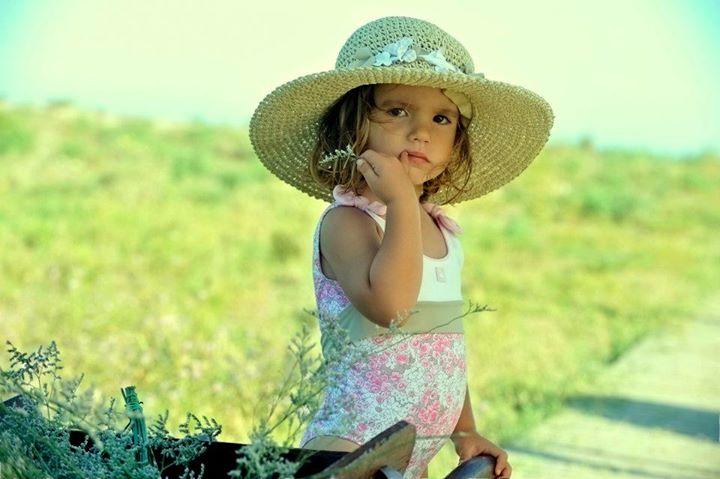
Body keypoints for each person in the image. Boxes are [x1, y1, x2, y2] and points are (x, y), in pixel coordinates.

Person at [249, 16, 554, 479]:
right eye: (396, 111)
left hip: (417, 455)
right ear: (352, 127)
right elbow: (392, 307)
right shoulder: (348, 223)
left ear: (455, 143)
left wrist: (464, 430)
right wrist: (400, 202)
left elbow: (443, 344)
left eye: (441, 118)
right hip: (353, 450)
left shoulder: (440, 232)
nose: (420, 132)